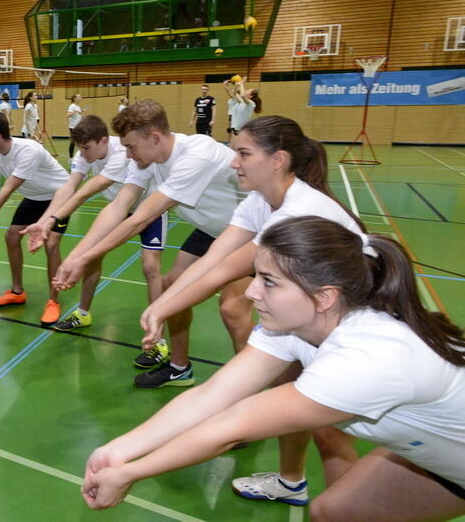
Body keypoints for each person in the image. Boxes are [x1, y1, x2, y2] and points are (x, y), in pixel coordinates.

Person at [81, 216, 465, 522]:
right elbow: (213, 395)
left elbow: (231, 426)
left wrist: (131, 473)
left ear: (324, 297)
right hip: (436, 459)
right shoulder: (296, 325)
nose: (251, 292)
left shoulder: (367, 359)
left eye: (269, 282)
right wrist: (117, 451)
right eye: (256, 276)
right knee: (332, 512)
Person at [139, 115, 366, 504]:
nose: (233, 162)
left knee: (330, 435)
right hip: (309, 318)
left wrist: (161, 309)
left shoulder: (297, 210)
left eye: (243, 153)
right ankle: (291, 481)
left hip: (353, 326)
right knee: (288, 388)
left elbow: (226, 270)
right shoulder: (261, 201)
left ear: (277, 160)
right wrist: (162, 302)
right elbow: (216, 254)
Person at [53, 100, 247, 389]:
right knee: (172, 287)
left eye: (131, 147)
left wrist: (82, 260)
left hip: (254, 230)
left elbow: (140, 219)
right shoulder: (147, 160)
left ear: (154, 137)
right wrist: (76, 256)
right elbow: (119, 207)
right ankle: (180, 368)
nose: (128, 155)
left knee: (232, 309)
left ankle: (249, 387)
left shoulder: (196, 155)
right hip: (213, 230)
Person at [22, 115, 166, 332]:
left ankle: (158, 334)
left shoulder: (121, 152)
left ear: (104, 141)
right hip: (116, 211)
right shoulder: (84, 153)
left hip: (148, 210)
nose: (83, 153)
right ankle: (83, 314)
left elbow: (86, 191)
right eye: (80, 148)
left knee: (150, 267)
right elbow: (68, 188)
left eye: (87, 148)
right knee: (91, 260)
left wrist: (52, 221)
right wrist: (44, 223)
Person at [0, 111, 70, 326]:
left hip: (59, 196)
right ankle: (17, 292)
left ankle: (53, 300)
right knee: (11, 236)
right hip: (34, 197)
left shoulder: (28, 150)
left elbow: (7, 190)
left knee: (51, 244)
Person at [223, 76, 261, 140]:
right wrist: (236, 86)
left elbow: (242, 95)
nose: (246, 90)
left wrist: (241, 83)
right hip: (236, 129)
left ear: (251, 96)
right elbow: (234, 95)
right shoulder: (241, 101)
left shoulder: (251, 103)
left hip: (242, 129)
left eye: (248, 91)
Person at [66, 94, 86, 158]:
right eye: (79, 97)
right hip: (73, 127)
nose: (80, 98)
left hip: (79, 127)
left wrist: (81, 111)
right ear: (74, 98)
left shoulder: (78, 106)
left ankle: (82, 155)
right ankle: (71, 158)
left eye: (80, 97)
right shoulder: (72, 106)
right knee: (73, 142)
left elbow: (78, 114)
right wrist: (74, 111)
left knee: (81, 141)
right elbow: (68, 115)